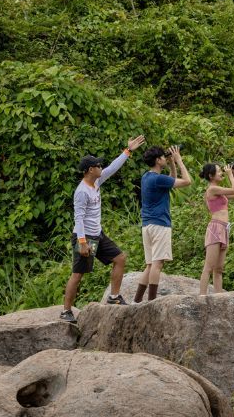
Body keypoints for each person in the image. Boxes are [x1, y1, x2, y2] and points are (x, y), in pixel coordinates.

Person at [61, 133, 145, 323]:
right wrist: (82, 243)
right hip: (85, 237)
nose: (101, 168)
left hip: (98, 235)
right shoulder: (82, 191)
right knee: (77, 274)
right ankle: (66, 311)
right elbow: (78, 218)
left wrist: (128, 150)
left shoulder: (96, 182)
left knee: (120, 258)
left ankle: (114, 297)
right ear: (91, 169)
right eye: (98, 166)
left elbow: (113, 168)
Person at [136, 145, 192, 302]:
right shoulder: (158, 179)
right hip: (160, 224)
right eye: (163, 157)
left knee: (149, 264)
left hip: (147, 225)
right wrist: (180, 161)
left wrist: (172, 162)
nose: (164, 158)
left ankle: (137, 300)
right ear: (157, 160)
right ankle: (152, 301)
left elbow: (171, 179)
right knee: (157, 264)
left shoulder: (147, 177)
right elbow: (187, 181)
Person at [198, 160, 234, 295]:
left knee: (219, 269)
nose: (222, 172)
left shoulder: (219, 192)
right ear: (211, 176)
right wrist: (229, 175)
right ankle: (201, 297)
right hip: (215, 228)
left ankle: (219, 297)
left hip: (224, 228)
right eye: (218, 171)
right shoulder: (212, 189)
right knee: (209, 267)